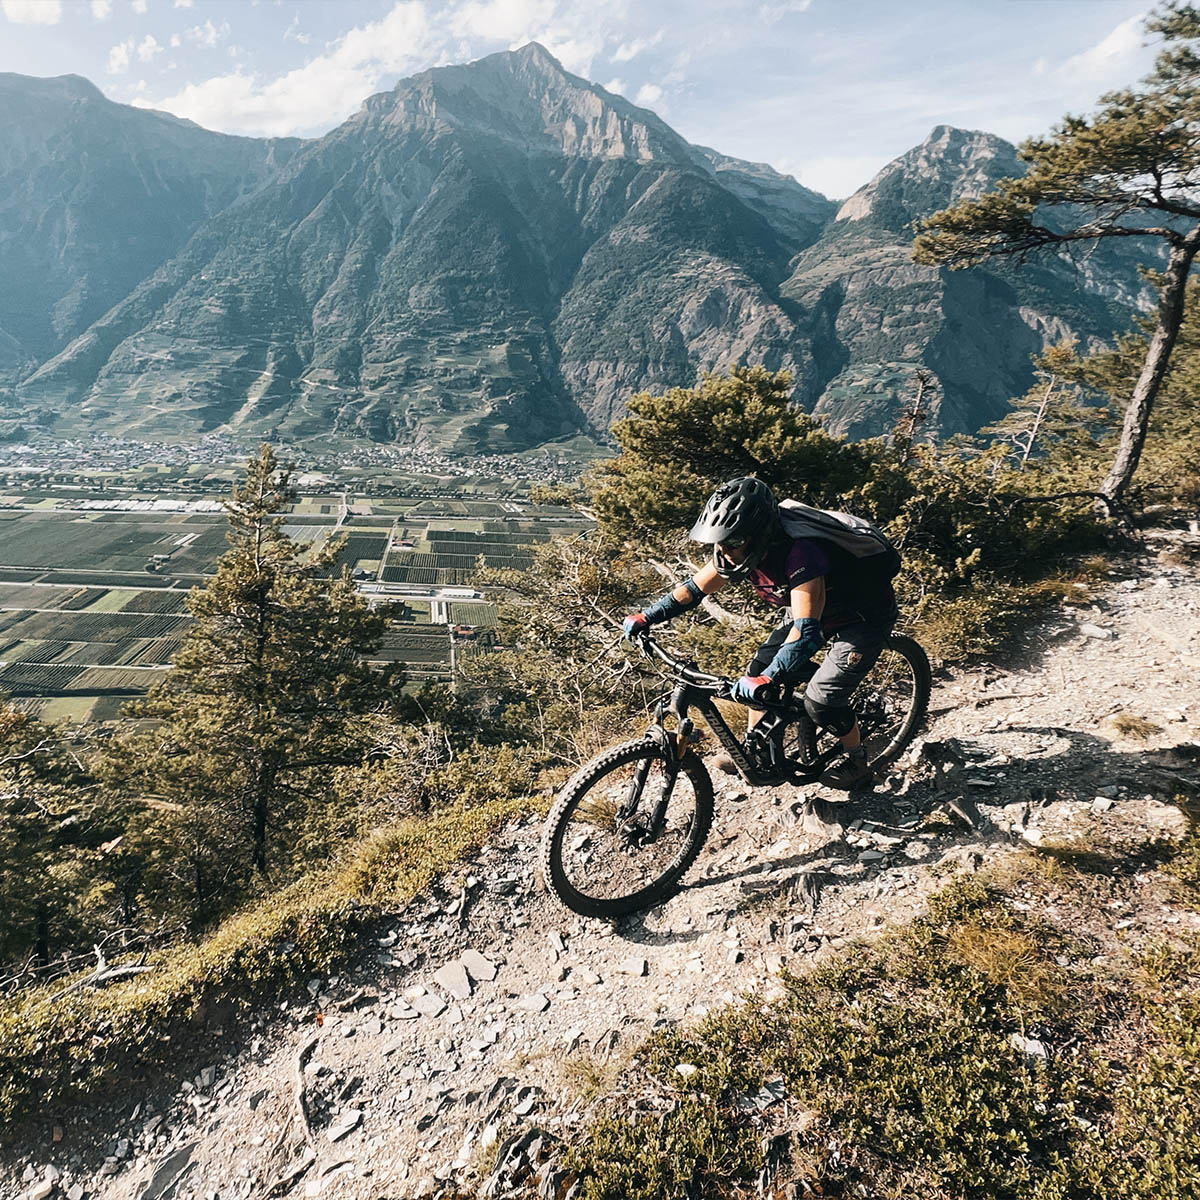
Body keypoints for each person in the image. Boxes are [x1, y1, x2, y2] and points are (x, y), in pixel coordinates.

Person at [623, 477, 900, 788]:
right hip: (812, 611)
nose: (722, 551)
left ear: (758, 536)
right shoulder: (738, 551)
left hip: (861, 616)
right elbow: (693, 589)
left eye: (731, 542)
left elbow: (806, 633)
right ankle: (759, 753)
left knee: (822, 701)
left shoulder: (801, 553)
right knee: (759, 669)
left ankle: (858, 761)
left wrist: (771, 677)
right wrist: (647, 616)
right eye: (719, 541)